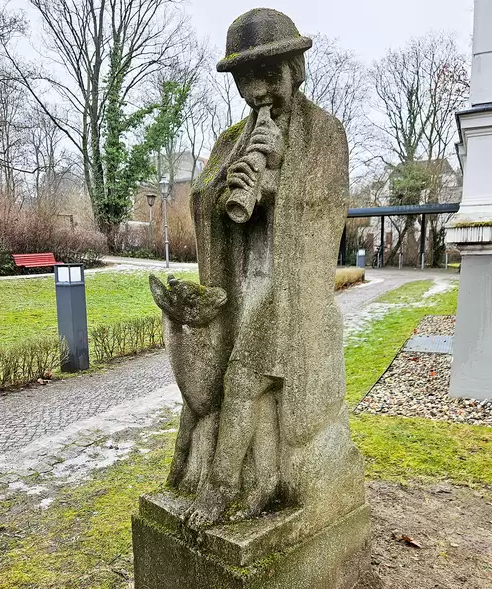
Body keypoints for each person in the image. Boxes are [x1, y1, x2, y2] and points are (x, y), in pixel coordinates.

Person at [183, 8, 364, 530]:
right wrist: (220, 197)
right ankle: (258, 482)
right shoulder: (230, 139)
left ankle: (223, 489)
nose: (257, 91)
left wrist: (275, 188)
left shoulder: (325, 132)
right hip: (241, 287)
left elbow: (330, 206)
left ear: (296, 70)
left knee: (243, 382)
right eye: (245, 80)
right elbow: (202, 198)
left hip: (289, 292)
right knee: (230, 382)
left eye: (268, 76)